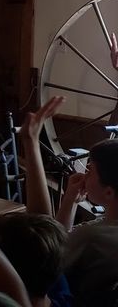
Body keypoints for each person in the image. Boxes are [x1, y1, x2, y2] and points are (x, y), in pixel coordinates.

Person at [20, 95, 118, 305]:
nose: (84, 173)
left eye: (90, 170)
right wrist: (71, 201)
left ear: (109, 192)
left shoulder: (93, 237)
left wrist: (31, 142)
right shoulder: (107, 228)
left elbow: (47, 247)